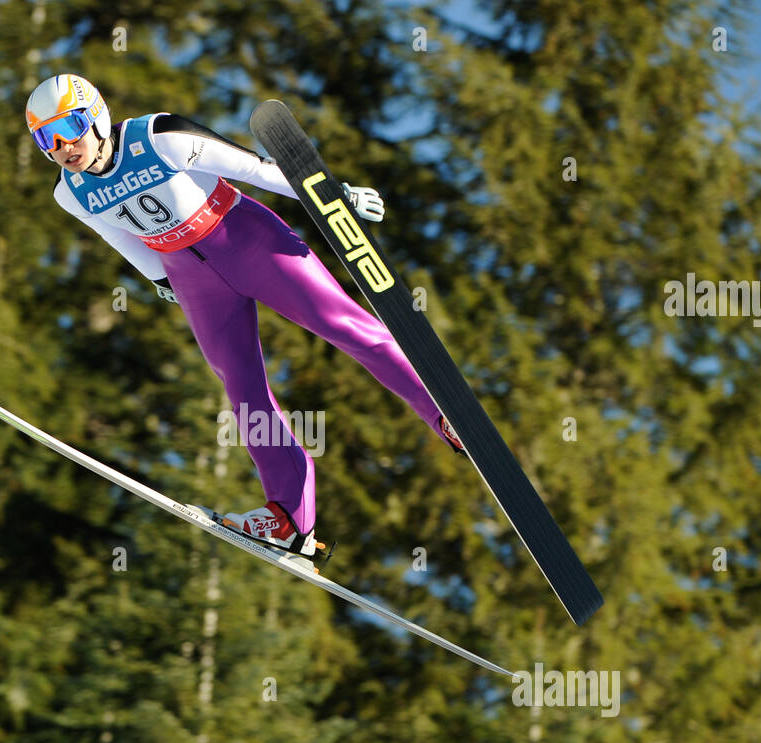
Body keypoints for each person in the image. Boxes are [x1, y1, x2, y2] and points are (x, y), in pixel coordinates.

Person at [26, 74, 464, 559]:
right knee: (242, 388)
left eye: (68, 127)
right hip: (191, 277)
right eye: (47, 139)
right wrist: (161, 279)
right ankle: (290, 520)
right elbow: (118, 237)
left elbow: (256, 169)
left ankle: (444, 412)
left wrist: (332, 197)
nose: (62, 146)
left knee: (342, 324)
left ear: (96, 116)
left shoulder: (160, 137)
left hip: (245, 239)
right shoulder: (71, 192)